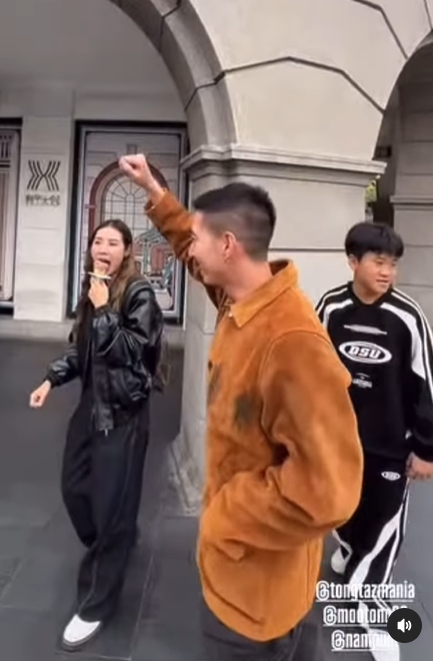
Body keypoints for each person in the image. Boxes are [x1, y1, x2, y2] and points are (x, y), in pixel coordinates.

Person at [119, 153, 364, 661]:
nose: (191, 249)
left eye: (200, 239)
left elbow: (330, 490)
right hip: (247, 581)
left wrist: (223, 517)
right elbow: (190, 249)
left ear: (228, 246)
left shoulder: (292, 343)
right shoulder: (243, 299)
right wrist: (156, 194)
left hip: (254, 606)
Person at [28, 219, 164, 650]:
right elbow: (81, 346)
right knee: (74, 490)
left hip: (124, 413)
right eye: (97, 241)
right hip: (91, 407)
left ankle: (95, 604)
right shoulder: (93, 288)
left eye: (112, 242)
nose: (102, 248)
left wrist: (105, 309)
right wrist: (51, 379)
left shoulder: (138, 294)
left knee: (111, 508)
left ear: (127, 251)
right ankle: (114, 542)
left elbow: (131, 352)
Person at [316, 221, 433, 661]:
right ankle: (350, 550)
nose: (387, 272)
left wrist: (425, 449)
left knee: (384, 527)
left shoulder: (408, 317)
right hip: (338, 443)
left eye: (393, 265)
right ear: (353, 262)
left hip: (391, 446)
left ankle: (373, 609)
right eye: (379, 262)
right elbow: (310, 369)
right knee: (344, 512)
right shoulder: (330, 307)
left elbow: (428, 387)